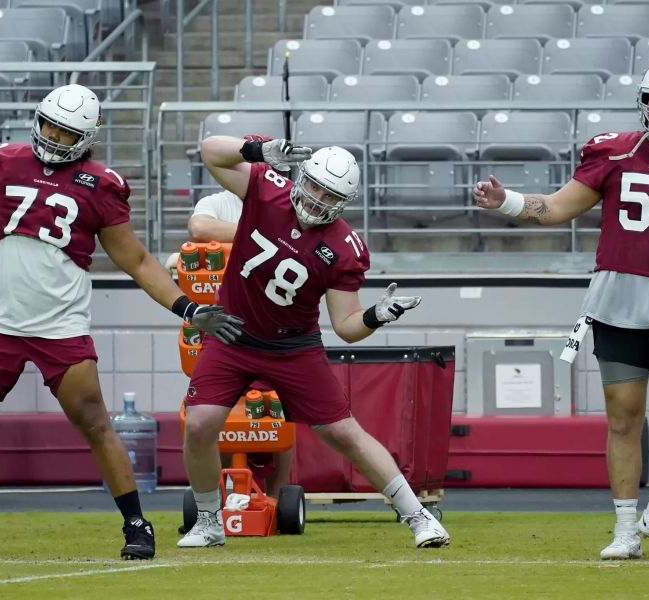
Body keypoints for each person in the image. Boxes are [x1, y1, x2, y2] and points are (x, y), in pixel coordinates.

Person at [0, 84, 243, 560]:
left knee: (94, 421)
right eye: (49, 124)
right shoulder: (5, 161)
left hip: (59, 323)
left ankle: (135, 522)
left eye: (65, 131)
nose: (52, 135)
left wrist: (188, 307)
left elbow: (137, 260)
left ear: (86, 137)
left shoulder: (101, 183)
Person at [472, 60, 649, 560]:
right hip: (616, 304)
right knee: (625, 421)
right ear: (643, 101)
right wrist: (506, 202)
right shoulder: (612, 149)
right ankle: (626, 529)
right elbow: (559, 208)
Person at [177, 135, 450, 549]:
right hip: (233, 333)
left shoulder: (344, 248)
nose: (319, 198)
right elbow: (210, 150)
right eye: (316, 185)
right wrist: (257, 149)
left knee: (344, 432)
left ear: (345, 201)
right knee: (199, 424)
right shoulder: (267, 188)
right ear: (302, 178)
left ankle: (419, 517)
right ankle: (210, 521)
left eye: (331, 194)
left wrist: (377, 315)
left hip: (293, 347)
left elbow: (346, 325)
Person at [168, 187, 295, 497]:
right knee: (217, 413)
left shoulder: (287, 203)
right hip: (223, 324)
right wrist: (263, 238)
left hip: (272, 325)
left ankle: (279, 496)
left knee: (279, 412)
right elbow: (199, 229)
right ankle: (222, 493)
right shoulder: (216, 202)